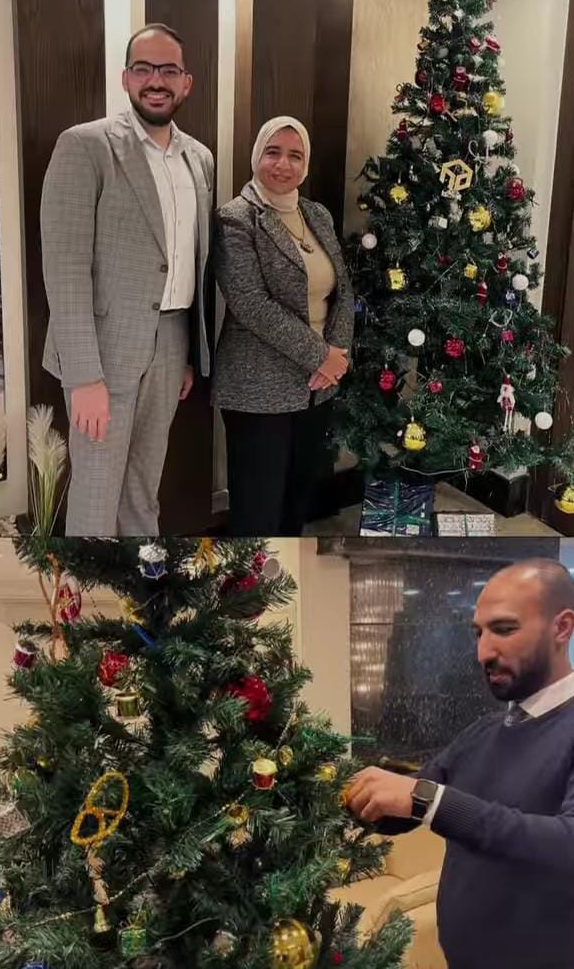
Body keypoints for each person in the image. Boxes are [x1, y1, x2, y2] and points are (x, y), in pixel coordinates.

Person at [345, 558, 574, 969]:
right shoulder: (483, 732)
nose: (483, 652)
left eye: (504, 629)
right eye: (478, 633)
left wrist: (428, 800)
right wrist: (339, 790)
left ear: (562, 628)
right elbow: (403, 810)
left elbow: (565, 845)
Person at [41, 24, 213, 535]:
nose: (155, 80)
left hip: (171, 343)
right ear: (125, 78)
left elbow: (191, 262)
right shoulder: (85, 146)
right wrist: (83, 377)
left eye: (168, 70)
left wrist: (185, 354)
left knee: (143, 492)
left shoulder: (199, 158)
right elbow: (65, 270)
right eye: (143, 68)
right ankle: (88, 588)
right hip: (103, 352)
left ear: (186, 83)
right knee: (95, 498)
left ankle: (145, 580)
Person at [213, 117, 355, 535]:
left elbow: (343, 290)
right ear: (257, 156)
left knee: (297, 503)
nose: (283, 164)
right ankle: (249, 580)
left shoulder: (317, 215)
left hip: (318, 386)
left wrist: (336, 357)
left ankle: (289, 573)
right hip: (257, 388)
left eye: (295, 155)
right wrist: (321, 355)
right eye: (273, 152)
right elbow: (250, 304)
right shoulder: (236, 218)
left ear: (305, 165)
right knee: (257, 514)